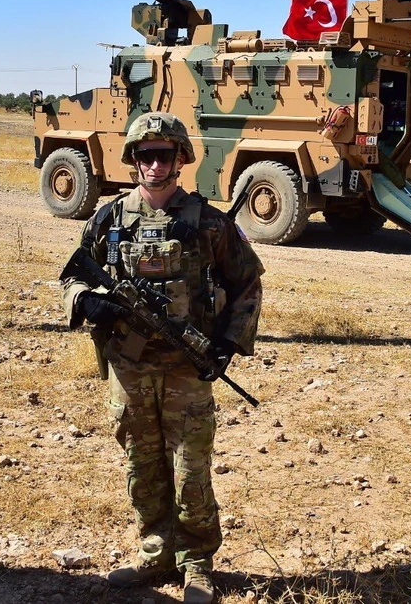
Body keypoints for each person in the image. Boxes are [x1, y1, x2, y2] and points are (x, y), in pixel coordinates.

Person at [60, 112, 263, 604]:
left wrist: (227, 345)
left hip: (186, 368)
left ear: (180, 160)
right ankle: (155, 554)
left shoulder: (208, 222)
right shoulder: (108, 219)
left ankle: (196, 565)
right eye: (146, 155)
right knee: (142, 462)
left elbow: (248, 283)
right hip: (128, 368)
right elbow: (72, 275)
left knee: (191, 469)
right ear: (134, 160)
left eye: (164, 155)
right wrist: (86, 301)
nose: (155, 164)